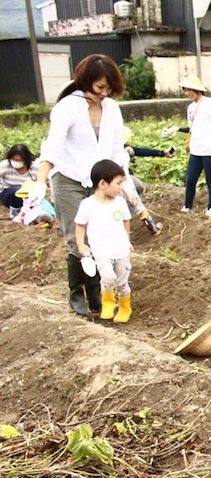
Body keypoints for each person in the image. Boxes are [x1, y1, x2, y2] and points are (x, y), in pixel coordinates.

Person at [36, 54, 128, 316]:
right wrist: (41, 181)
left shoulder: (112, 109)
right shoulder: (68, 108)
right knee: (78, 240)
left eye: (109, 88)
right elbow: (52, 146)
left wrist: (123, 182)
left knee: (99, 238)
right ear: (86, 81)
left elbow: (116, 150)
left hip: (98, 182)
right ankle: (77, 295)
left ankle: (97, 294)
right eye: (100, 87)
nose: (104, 93)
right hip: (69, 179)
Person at [162, 76, 211, 219]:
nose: (186, 93)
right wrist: (176, 129)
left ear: (196, 90)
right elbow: (192, 128)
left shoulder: (209, 104)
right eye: (185, 90)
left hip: (210, 149)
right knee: (190, 179)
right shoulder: (191, 108)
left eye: (188, 90)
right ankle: (188, 206)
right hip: (196, 149)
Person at [74, 160, 133, 323]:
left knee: (122, 281)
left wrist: (127, 240)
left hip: (121, 250)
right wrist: (81, 244)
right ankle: (108, 302)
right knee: (107, 277)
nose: (121, 187)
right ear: (102, 184)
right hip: (101, 250)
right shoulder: (87, 205)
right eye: (118, 183)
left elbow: (126, 221)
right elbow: (80, 225)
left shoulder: (120, 203)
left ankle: (125, 306)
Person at [121, 126, 169, 235]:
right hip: (122, 180)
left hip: (113, 180)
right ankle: (151, 227)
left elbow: (139, 151)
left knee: (134, 194)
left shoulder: (121, 149)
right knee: (135, 203)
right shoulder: (119, 153)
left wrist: (161, 152)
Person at [1, 144, 38, 218]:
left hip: (27, 197)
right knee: (17, 190)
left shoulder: (34, 168)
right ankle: (15, 212)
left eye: (19, 160)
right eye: (14, 159)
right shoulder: (4, 166)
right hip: (8, 195)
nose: (15, 162)